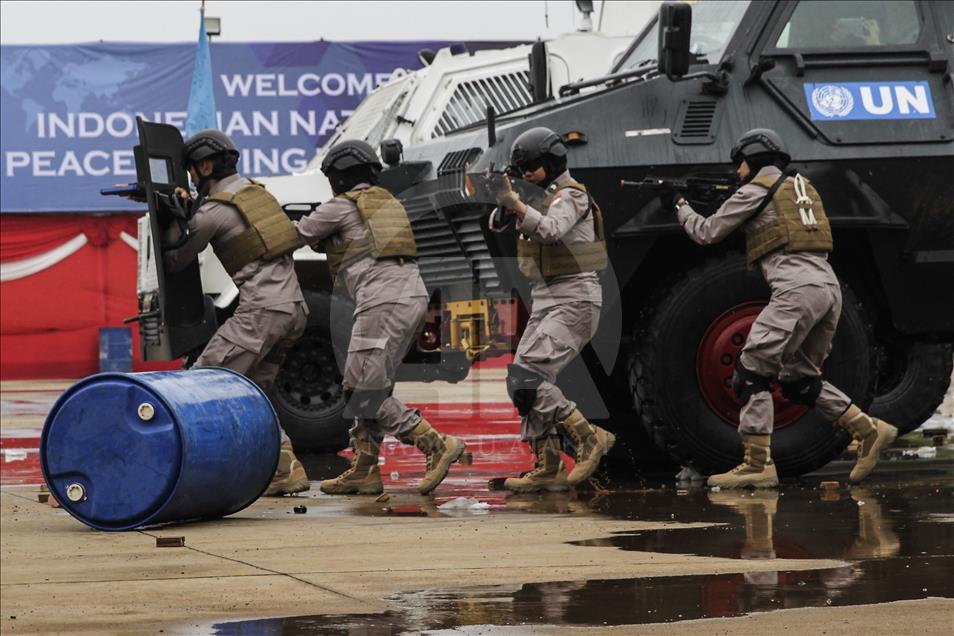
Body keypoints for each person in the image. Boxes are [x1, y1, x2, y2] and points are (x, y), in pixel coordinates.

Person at [669, 128, 897, 488]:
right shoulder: (802, 188)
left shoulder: (753, 191)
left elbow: (707, 233)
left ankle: (757, 464)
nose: (737, 171)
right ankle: (867, 429)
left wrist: (682, 208)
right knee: (799, 382)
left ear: (753, 158)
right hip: (828, 288)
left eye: (740, 163)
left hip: (795, 291)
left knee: (749, 373)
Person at [297, 139, 465, 496]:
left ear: (339, 176)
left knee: (361, 389)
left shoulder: (342, 206)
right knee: (372, 381)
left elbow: (294, 235)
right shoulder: (388, 202)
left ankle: (434, 443)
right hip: (407, 294)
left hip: (382, 298)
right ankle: (365, 469)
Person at [163, 129, 310, 496]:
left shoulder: (214, 211)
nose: (193, 179)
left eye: (193, 172)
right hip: (294, 310)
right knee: (254, 393)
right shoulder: (259, 194)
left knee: (202, 383)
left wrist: (172, 221)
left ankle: (186, 472)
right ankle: (285, 468)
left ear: (207, 165)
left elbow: (177, 260)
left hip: (260, 313)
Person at [489, 127, 615, 493]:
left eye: (531, 167)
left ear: (550, 162)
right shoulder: (540, 196)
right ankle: (547, 463)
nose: (526, 174)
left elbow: (551, 231)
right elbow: (497, 224)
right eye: (522, 170)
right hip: (548, 300)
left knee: (529, 378)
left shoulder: (570, 196)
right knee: (521, 383)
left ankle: (589, 438)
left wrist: (516, 203)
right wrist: (504, 200)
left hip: (574, 299)